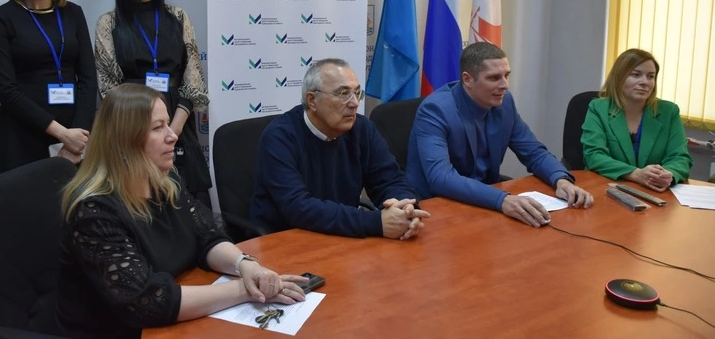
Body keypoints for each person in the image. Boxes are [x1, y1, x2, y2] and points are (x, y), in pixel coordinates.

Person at [57, 84, 307, 338]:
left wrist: (245, 265)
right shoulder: (93, 211)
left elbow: (207, 236)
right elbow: (145, 301)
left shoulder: (167, 183)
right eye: (157, 128)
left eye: (167, 124)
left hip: (174, 319)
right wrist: (244, 290)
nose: (172, 136)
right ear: (124, 141)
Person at [406, 42, 594, 228]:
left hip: (485, 200)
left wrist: (561, 180)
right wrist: (502, 199)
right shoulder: (435, 110)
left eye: (506, 75)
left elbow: (533, 152)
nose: (505, 85)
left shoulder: (505, 103)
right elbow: (441, 178)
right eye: (494, 78)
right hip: (435, 206)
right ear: (468, 79)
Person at [250, 58, 430, 240]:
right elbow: (298, 207)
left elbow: (390, 180)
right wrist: (376, 222)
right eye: (343, 94)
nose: (354, 103)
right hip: (286, 240)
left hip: (341, 235)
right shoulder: (279, 137)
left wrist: (406, 209)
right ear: (312, 100)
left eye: (357, 93)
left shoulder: (362, 129)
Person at [95, 0, 211, 205]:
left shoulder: (178, 17)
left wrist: (171, 130)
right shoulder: (109, 23)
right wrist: (146, 133)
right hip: (133, 130)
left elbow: (193, 79)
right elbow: (109, 88)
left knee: (191, 206)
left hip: (178, 122)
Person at [0, 0, 96, 180]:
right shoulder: (0, 18)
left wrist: (76, 137)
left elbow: (88, 78)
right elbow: (6, 91)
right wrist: (62, 134)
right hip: (22, 135)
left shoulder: (73, 13)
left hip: (76, 138)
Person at [581, 48, 692, 191]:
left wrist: (668, 174)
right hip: (607, 188)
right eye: (636, 75)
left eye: (650, 76)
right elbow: (594, 156)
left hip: (654, 191)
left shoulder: (669, 111)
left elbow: (680, 157)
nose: (645, 82)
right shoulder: (598, 108)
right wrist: (635, 174)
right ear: (619, 77)